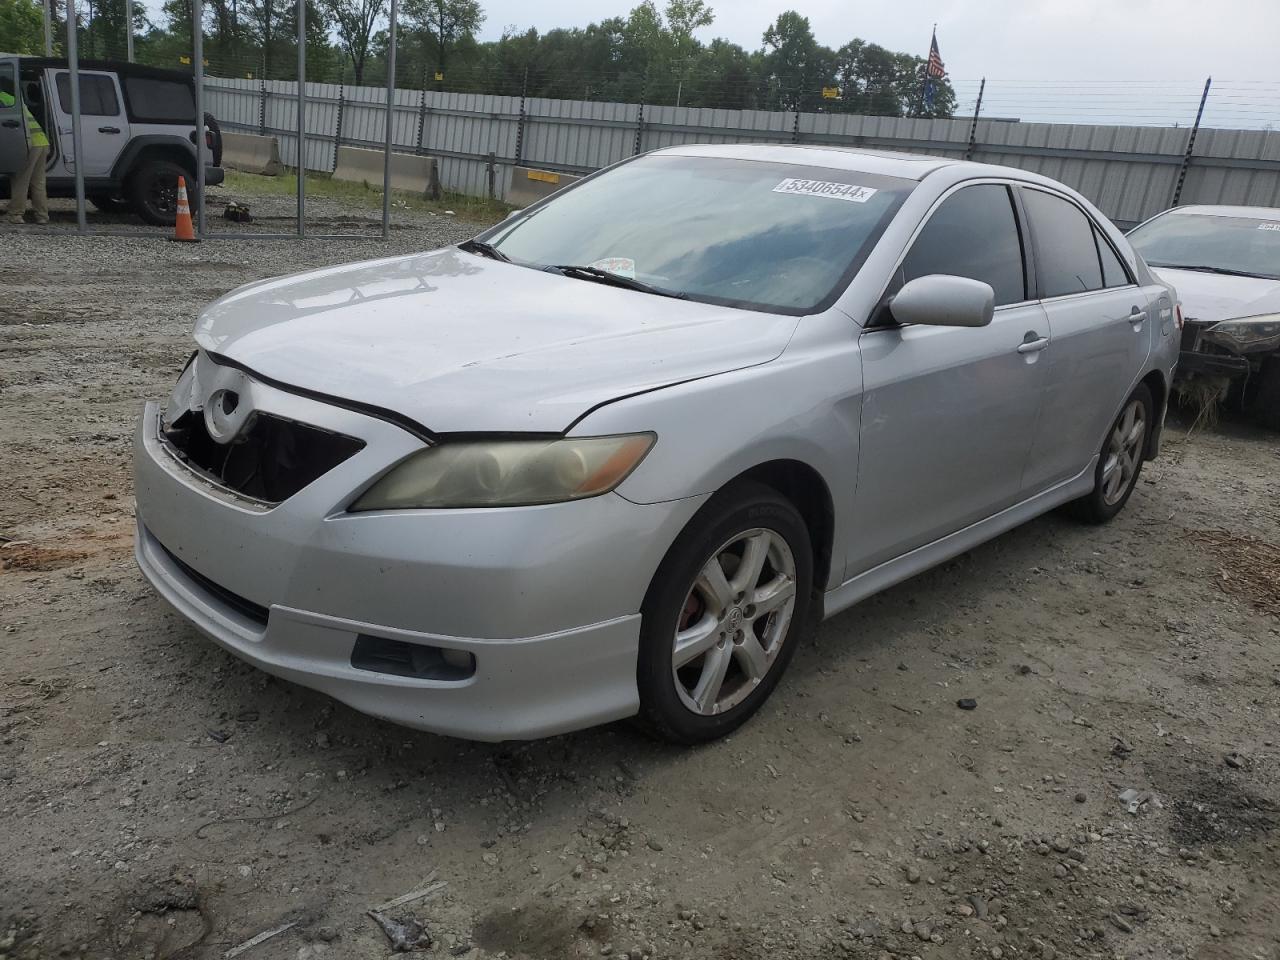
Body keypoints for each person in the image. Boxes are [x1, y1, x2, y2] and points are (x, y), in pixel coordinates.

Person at [1, 83, 50, 225]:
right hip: (42, 141)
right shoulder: (11, 98)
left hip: (30, 143)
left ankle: (15, 214)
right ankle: (42, 216)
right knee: (38, 182)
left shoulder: (2, 100)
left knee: (20, 179)